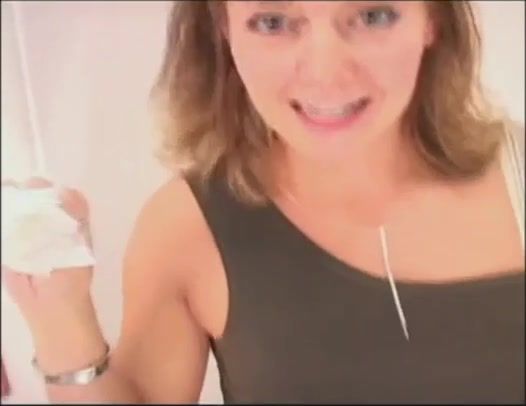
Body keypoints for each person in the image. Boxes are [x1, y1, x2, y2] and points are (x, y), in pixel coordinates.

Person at [2, 1, 524, 403]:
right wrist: (60, 318)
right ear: (223, 28)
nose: (325, 73)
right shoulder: (188, 226)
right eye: (273, 22)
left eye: (373, 15)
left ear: (433, 19)